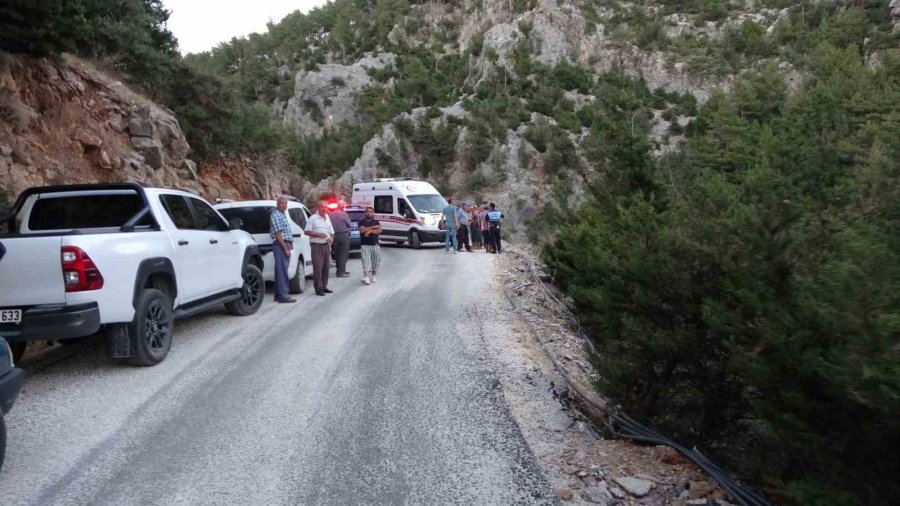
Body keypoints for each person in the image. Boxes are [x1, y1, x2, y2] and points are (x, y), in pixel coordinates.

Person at [305, 200, 335, 296]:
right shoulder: (312, 218)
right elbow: (306, 232)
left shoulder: (327, 217)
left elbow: (331, 231)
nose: (324, 209)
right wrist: (319, 234)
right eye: (322, 207)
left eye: (326, 207)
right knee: (318, 268)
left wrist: (332, 239)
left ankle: (324, 286)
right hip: (316, 245)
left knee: (326, 267)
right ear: (318, 208)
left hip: (326, 245)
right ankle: (318, 289)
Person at [269, 196, 296, 303]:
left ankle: (278, 295)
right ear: (277, 204)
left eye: (285, 203)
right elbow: (278, 235)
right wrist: (285, 249)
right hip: (281, 245)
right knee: (282, 271)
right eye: (282, 203)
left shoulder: (282, 215)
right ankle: (284, 296)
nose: (284, 205)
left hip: (285, 244)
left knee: (280, 270)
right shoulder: (276, 215)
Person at [357, 206, 383, 285]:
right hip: (365, 245)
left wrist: (370, 231)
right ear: (365, 213)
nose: (369, 213)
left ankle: (373, 275)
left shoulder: (376, 221)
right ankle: (366, 277)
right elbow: (362, 230)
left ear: (373, 213)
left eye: (371, 211)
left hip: (375, 244)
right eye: (367, 211)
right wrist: (373, 228)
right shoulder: (361, 222)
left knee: (376, 260)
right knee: (366, 260)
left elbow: (379, 230)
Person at [330, 201, 352, 278]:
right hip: (343, 235)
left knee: (337, 254)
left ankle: (339, 270)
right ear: (342, 206)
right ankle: (341, 272)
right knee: (343, 254)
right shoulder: (343, 214)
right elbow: (349, 224)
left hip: (333, 235)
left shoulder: (331, 214)